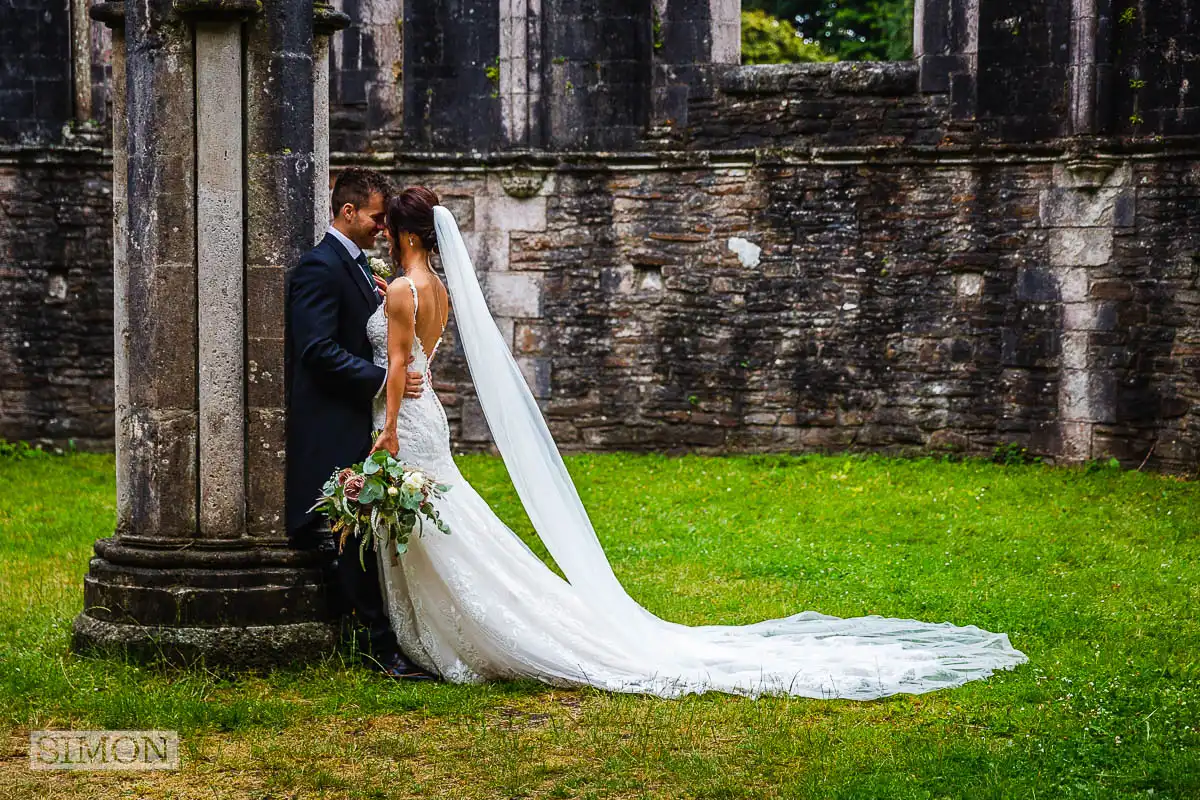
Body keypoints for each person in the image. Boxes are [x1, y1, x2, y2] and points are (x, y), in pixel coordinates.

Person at [362, 185, 1028, 699]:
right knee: (444, 523)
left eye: (386, 229)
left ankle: (464, 637)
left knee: (441, 524)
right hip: (431, 415)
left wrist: (388, 430)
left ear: (399, 232)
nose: (382, 237)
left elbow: (398, 367)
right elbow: (421, 360)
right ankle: (448, 631)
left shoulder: (399, 288)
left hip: (408, 422)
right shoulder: (438, 288)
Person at [285, 168, 436, 680]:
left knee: (373, 527)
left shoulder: (357, 268)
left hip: (367, 420)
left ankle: (391, 638)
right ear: (347, 212)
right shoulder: (318, 268)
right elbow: (316, 350)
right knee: (354, 529)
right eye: (375, 216)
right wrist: (382, 380)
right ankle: (380, 647)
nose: (381, 226)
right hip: (335, 421)